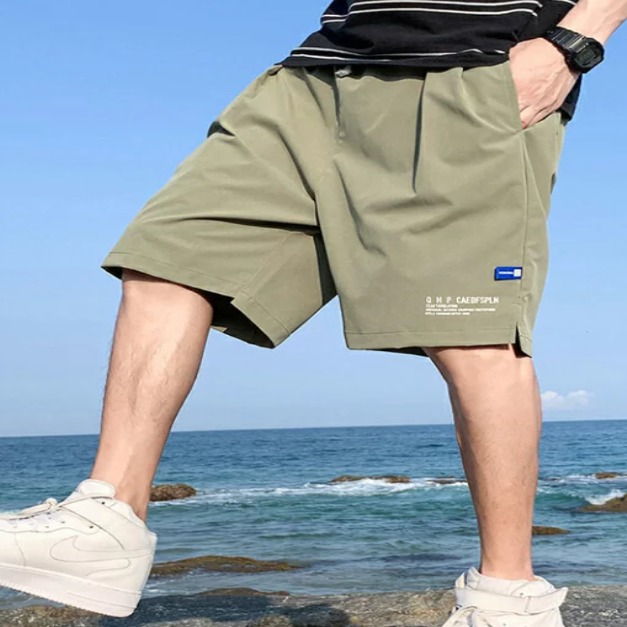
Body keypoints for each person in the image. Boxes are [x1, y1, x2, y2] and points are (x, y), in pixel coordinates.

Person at [0, 1, 624, 625]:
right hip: (317, 71)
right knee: (166, 261)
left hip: (474, 70)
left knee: (471, 336)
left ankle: (510, 597)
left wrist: (573, 44)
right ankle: (106, 519)